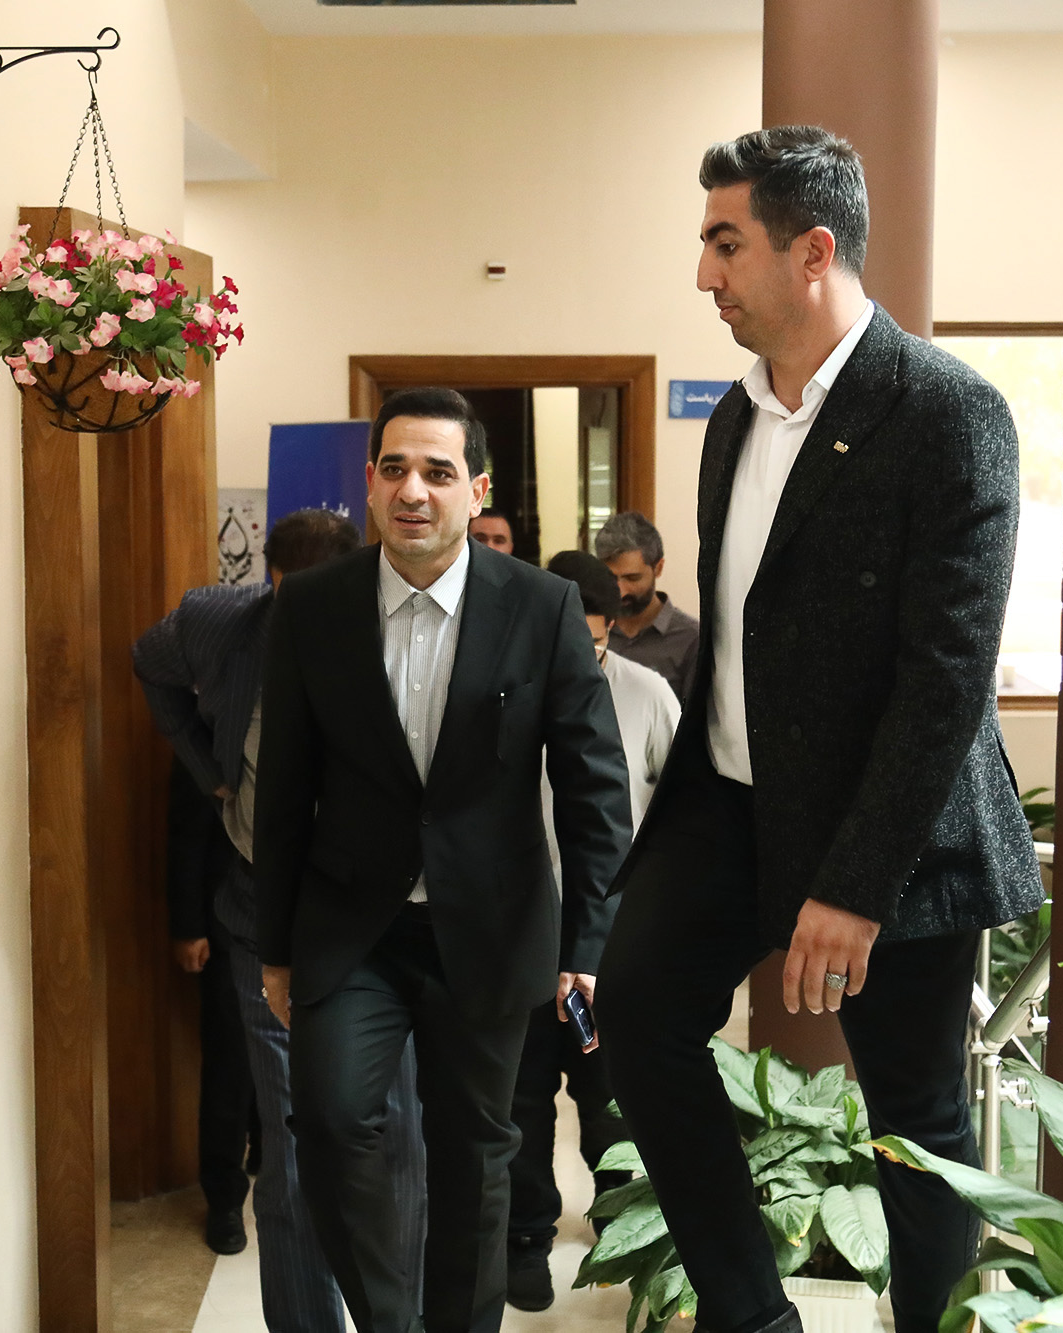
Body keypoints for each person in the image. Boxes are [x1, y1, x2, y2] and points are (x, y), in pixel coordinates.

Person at [597, 127, 1044, 1333]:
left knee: (914, 1118)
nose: (702, 274)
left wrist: (854, 883)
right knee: (635, 1015)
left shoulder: (947, 412)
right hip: (727, 804)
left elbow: (946, 678)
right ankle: (753, 1317)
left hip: (890, 829)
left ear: (811, 251)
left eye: (722, 243)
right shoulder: (733, 418)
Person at [253, 386, 635, 1333]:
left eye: (437, 470)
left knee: (476, 1150)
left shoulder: (541, 607)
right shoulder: (313, 607)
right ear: (369, 484)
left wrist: (588, 943)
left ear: (478, 489)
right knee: (330, 1121)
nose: (413, 490)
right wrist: (275, 949)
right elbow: (284, 789)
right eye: (394, 469)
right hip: (354, 927)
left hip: (491, 927)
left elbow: (594, 788)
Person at [133, 508, 428, 1333]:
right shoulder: (220, 623)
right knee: (293, 1148)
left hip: (380, 930)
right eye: (284, 595)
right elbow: (149, 662)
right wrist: (208, 768)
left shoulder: (402, 636)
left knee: (396, 1139)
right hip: (263, 918)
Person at [506, 551, 679, 1313]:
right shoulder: (506, 689)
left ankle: (617, 1225)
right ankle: (524, 1236)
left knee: (609, 1092)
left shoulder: (646, 694)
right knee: (520, 1098)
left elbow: (680, 809)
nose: (582, 658)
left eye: (596, 644)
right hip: (519, 928)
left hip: (613, 934)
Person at [163, 758, 261, 1255]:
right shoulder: (210, 735)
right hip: (228, 927)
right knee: (229, 1065)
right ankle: (224, 1198)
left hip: (308, 926)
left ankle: (269, 1159)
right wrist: (188, 926)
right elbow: (186, 836)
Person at [594, 511, 701, 700]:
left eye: (632, 578)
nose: (620, 591)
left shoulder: (690, 639)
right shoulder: (590, 630)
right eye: (610, 577)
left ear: (658, 568)